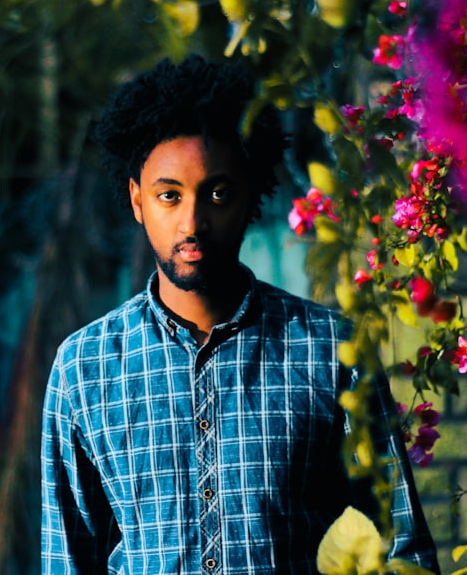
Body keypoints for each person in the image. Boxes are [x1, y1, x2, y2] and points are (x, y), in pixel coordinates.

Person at [40, 54, 439, 574]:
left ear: (249, 196)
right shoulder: (83, 368)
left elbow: (400, 544)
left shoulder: (329, 349)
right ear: (137, 199)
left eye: (218, 194)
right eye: (169, 196)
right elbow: (68, 562)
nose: (193, 222)